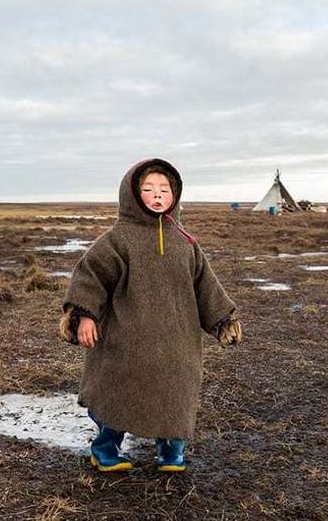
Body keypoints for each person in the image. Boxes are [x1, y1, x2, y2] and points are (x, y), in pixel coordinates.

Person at [58, 158, 242, 472]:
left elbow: (205, 285)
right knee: (118, 390)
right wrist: (84, 315)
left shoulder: (186, 244)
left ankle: (171, 451)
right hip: (127, 338)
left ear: (175, 194)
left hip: (177, 341)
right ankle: (105, 448)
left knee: (176, 392)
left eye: (164, 189)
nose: (157, 195)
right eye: (148, 189)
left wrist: (223, 319)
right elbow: (92, 276)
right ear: (131, 195)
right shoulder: (117, 240)